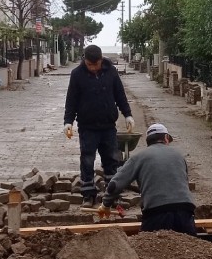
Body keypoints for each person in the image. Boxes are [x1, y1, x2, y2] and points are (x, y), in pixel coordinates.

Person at [64, 45, 135, 208]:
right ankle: (88, 195)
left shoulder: (111, 72)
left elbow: (120, 94)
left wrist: (128, 114)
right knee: (87, 160)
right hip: (87, 127)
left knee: (111, 159)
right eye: (90, 65)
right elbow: (71, 101)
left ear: (101, 60)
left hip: (108, 126)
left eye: (96, 64)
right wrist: (68, 121)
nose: (93, 68)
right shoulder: (77, 75)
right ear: (85, 61)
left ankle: (113, 194)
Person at [98, 123, 197, 236]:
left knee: (148, 250)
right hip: (185, 211)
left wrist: (105, 205)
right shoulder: (179, 155)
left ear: (148, 141)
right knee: (190, 250)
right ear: (166, 138)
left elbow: (114, 185)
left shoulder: (138, 157)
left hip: (156, 213)